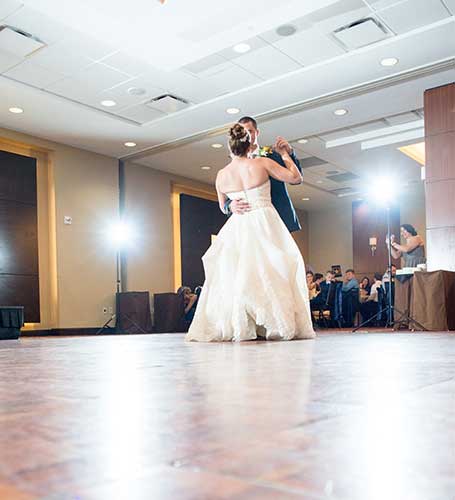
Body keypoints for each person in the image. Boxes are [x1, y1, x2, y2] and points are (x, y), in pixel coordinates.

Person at [185, 123, 315, 342]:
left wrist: (230, 205)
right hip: (264, 221)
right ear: (248, 145)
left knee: (239, 275)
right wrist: (285, 154)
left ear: (230, 147)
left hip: (239, 225)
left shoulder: (221, 175)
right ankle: (275, 323)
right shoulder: (262, 163)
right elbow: (296, 178)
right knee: (273, 271)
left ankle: (243, 326)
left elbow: (222, 205)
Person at [224, 116, 302, 233]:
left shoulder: (272, 155)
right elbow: (227, 196)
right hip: (248, 222)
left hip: (278, 216)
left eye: (250, 131)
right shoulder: (234, 164)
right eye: (244, 133)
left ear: (257, 132)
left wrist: (289, 153)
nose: (247, 136)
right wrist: (230, 206)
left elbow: (296, 178)